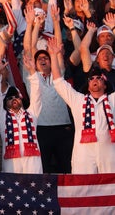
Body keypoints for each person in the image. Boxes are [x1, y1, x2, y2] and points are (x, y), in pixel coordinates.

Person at [48, 38, 115, 174]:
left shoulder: (112, 100)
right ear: (88, 85)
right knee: (84, 189)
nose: (95, 80)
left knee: (111, 189)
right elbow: (58, 82)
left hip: (109, 152)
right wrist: (54, 56)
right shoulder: (78, 100)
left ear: (105, 84)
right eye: (92, 78)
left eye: (99, 78)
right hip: (83, 154)